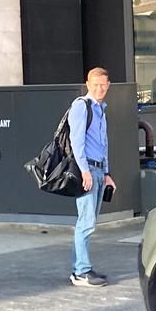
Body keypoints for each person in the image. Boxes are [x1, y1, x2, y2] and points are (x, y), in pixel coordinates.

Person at [68, 67, 116, 288]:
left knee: (89, 222)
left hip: (98, 171)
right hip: (87, 171)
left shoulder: (101, 109)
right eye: (95, 84)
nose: (100, 88)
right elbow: (76, 142)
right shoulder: (81, 106)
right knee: (85, 223)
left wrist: (106, 174)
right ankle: (81, 272)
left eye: (103, 84)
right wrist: (85, 171)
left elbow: (103, 144)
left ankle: (83, 267)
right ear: (87, 84)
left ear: (108, 85)